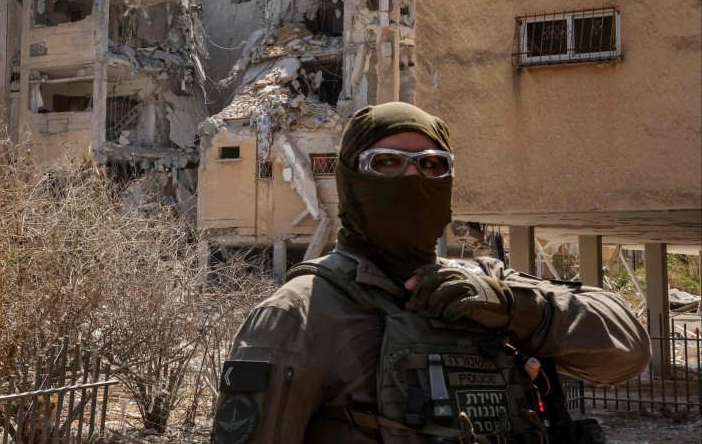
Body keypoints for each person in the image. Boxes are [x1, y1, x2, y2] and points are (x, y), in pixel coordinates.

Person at [211, 102, 650, 444]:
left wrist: (513, 307)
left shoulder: (487, 286)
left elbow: (628, 352)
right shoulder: (298, 315)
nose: (412, 177)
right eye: (386, 163)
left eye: (431, 164)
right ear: (350, 180)